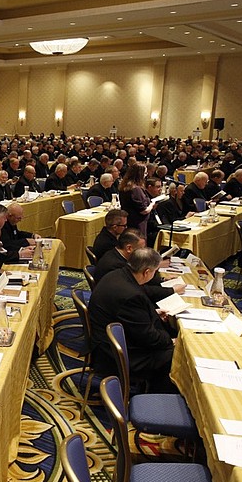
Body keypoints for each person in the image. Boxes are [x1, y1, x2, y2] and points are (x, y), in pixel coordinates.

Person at [89, 247, 177, 393]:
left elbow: (128, 316)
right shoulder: (131, 295)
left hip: (107, 339)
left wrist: (153, 314)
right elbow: (149, 338)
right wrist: (172, 341)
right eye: (155, 271)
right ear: (147, 272)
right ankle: (156, 398)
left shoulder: (118, 274)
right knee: (174, 354)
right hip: (114, 355)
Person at [94, 229, 180, 300]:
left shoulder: (117, 255)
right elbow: (140, 288)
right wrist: (171, 290)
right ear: (129, 248)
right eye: (141, 248)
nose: (143, 251)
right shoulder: (115, 265)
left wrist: (162, 279)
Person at [119, 163, 155, 236]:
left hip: (130, 221)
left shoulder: (125, 186)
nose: (146, 175)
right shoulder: (135, 189)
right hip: (137, 223)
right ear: (139, 174)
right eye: (145, 173)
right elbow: (144, 211)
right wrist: (152, 204)